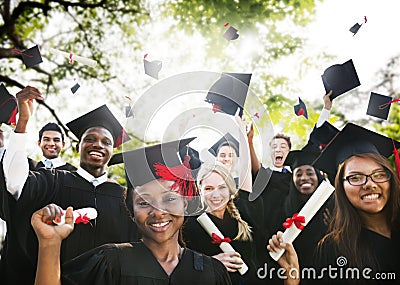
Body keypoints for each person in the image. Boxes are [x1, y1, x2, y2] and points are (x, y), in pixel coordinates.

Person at [31, 138, 232, 285]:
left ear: (185, 204)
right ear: (131, 209)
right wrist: (50, 243)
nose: (158, 211)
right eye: (144, 202)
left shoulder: (212, 273)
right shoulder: (109, 261)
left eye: (170, 198)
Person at [1, 86, 136, 285]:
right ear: (77, 146)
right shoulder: (53, 180)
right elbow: (14, 182)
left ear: (111, 150)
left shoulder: (124, 198)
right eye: (89, 139)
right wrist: (23, 122)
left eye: (106, 142)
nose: (98, 144)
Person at [311, 123, 400, 284]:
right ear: (341, 187)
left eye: (379, 174)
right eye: (356, 178)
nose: (369, 184)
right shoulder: (332, 250)